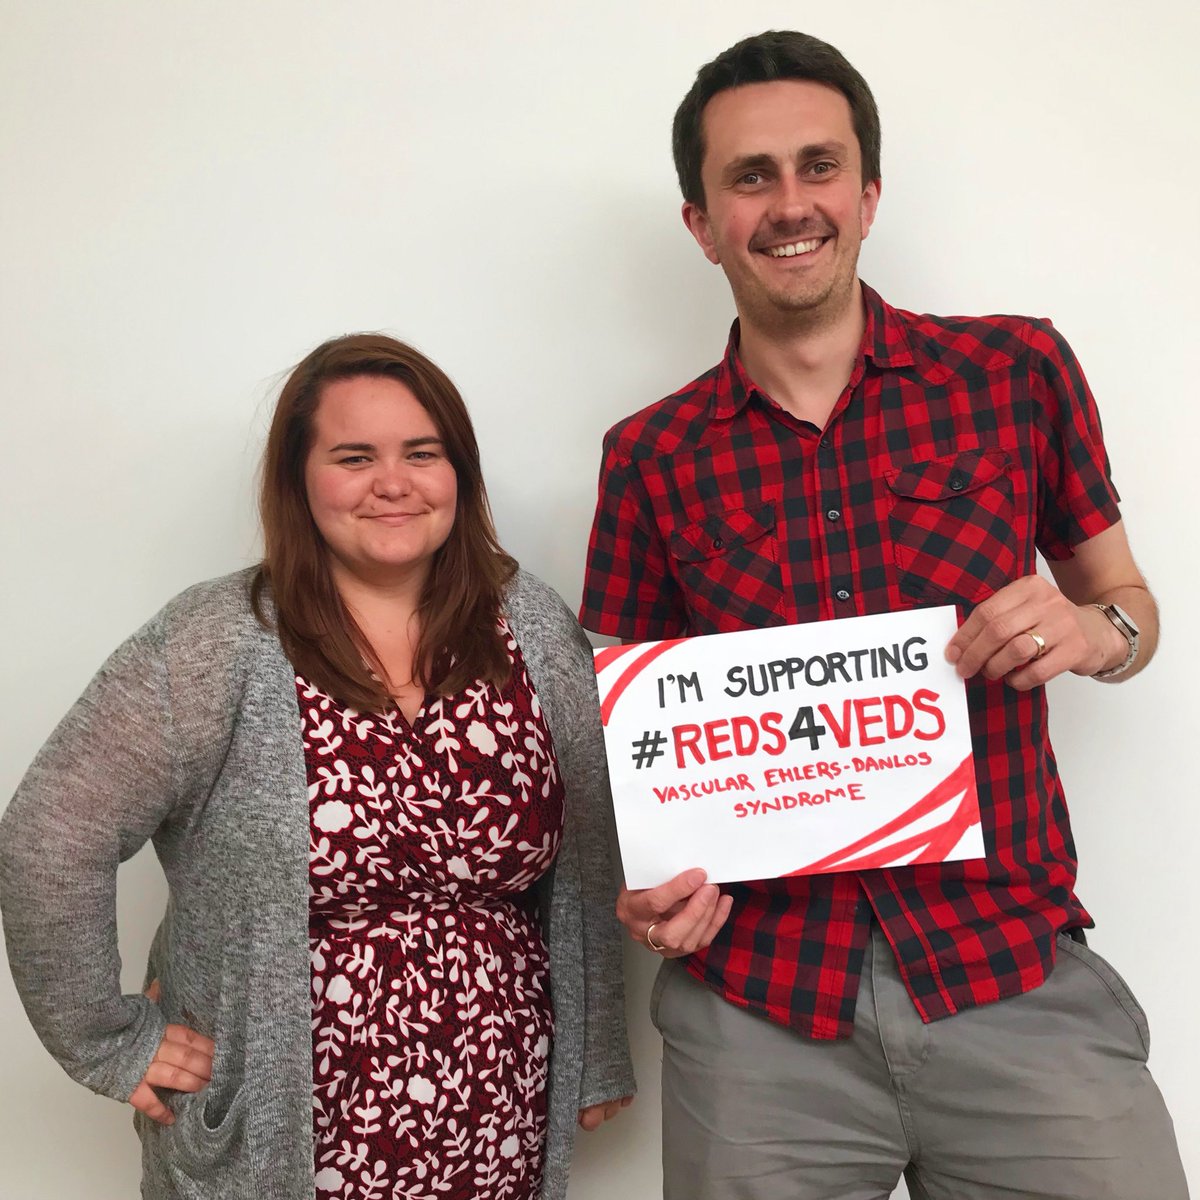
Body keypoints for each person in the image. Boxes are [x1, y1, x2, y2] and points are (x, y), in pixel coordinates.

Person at [580, 30, 1187, 1200]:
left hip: (1011, 972)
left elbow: (1130, 607)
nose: (790, 203)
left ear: (867, 193)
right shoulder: (649, 457)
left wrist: (1093, 632)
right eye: (749, 177)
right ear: (702, 223)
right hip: (760, 1011)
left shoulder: (1014, 373)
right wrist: (652, 881)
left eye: (819, 166)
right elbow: (631, 730)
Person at [0, 333, 634, 1200]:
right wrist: (106, 1038)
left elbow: (589, 844)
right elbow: (49, 835)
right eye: (354, 456)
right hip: (283, 1138)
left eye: (423, 453)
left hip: (500, 1119)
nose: (393, 483)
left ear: (460, 473)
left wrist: (595, 1045)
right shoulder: (218, 640)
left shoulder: (530, 624)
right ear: (299, 479)